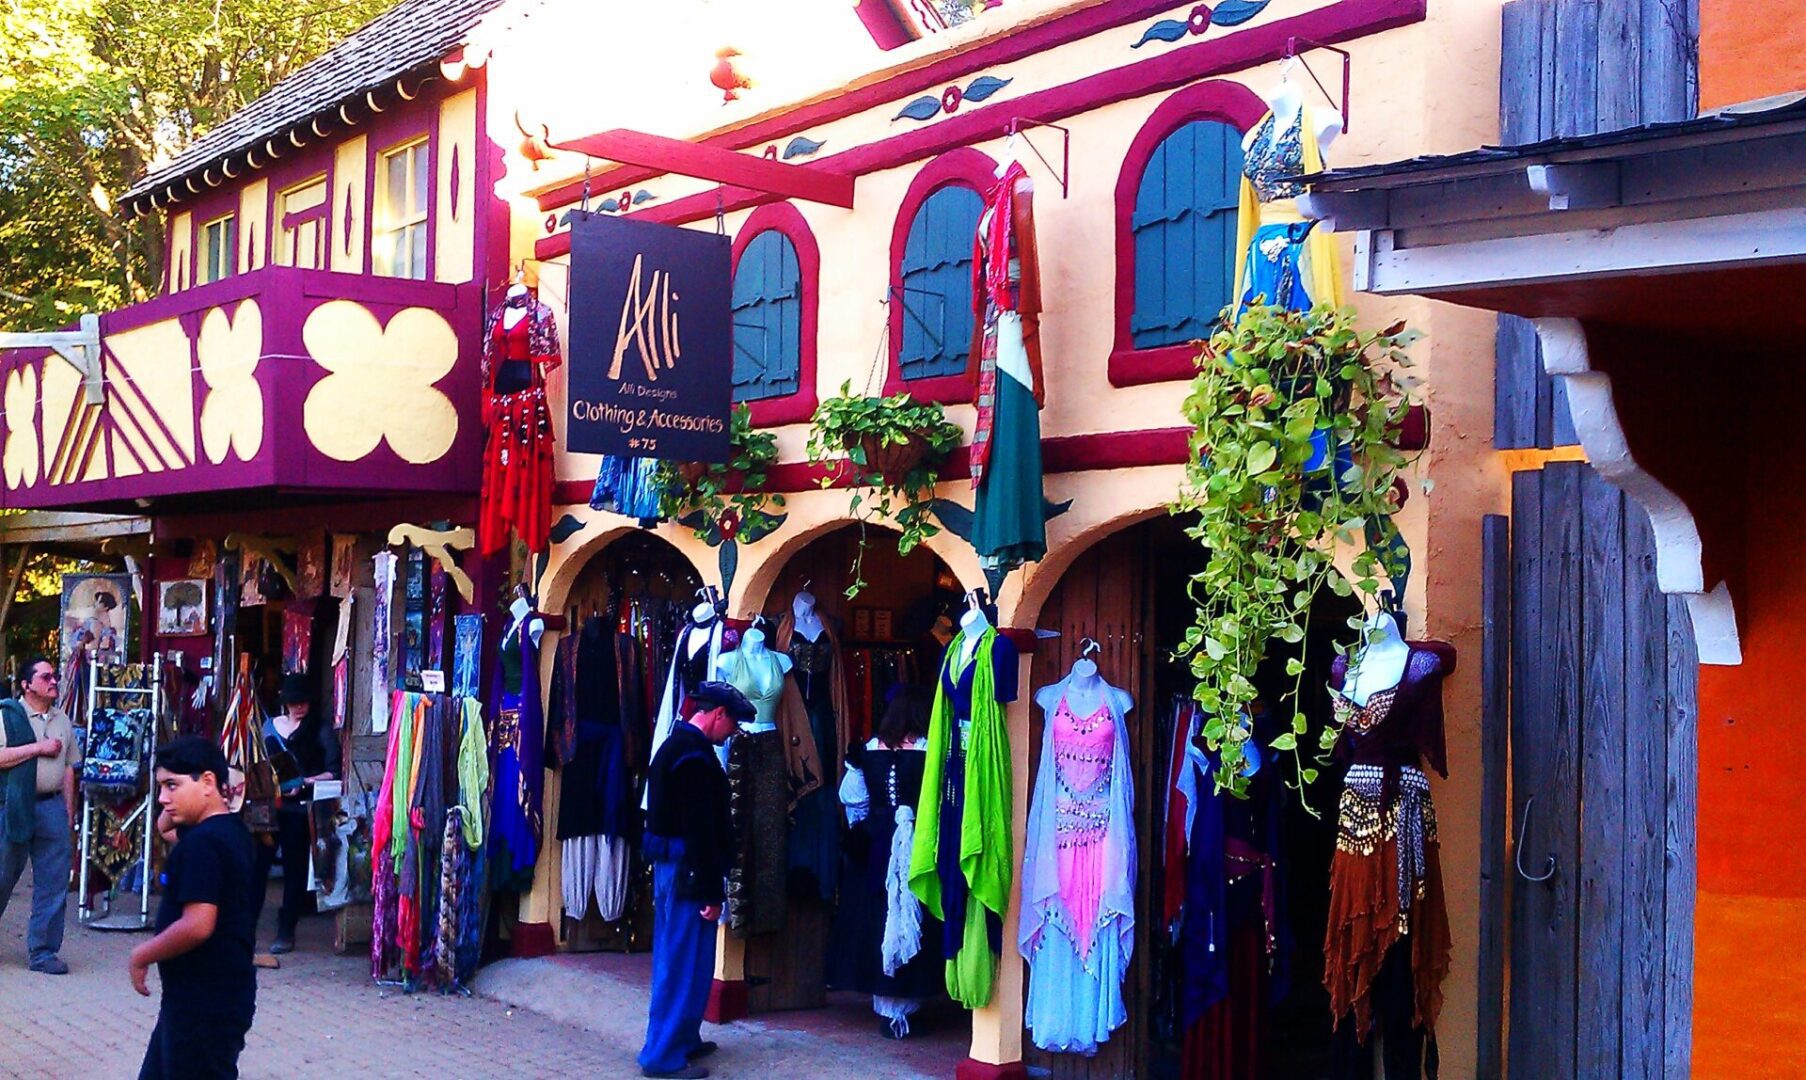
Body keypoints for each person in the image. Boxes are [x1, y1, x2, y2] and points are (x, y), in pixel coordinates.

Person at [639, 681, 752, 1080]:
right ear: (718, 715)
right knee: (680, 962)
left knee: (691, 960)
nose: (732, 733)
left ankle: (683, 1038)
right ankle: (662, 1055)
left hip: (679, 869)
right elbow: (699, 832)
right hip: (688, 872)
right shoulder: (694, 759)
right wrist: (710, 890)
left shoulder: (679, 747)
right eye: (732, 724)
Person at [131, 736, 257, 1079]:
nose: (163, 798)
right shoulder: (225, 831)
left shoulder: (204, 844)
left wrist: (143, 953)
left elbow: (198, 924)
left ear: (208, 782)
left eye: (172, 785)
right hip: (200, 998)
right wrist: (176, 801)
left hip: (204, 1004)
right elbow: (164, 827)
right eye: (160, 787)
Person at [0, 656, 80, 974]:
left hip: (52, 807)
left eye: (54, 676)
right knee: (3, 874)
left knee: (53, 882)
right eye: (45, 676)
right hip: (14, 806)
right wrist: (37, 748)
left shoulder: (62, 719)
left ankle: (43, 952)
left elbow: (70, 767)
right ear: (26, 684)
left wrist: (68, 811)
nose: (53, 681)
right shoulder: (8, 714)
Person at [252, 672, 340, 958]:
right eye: (294, 702)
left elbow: (333, 770)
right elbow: (258, 763)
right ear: (285, 703)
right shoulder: (268, 728)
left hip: (299, 809)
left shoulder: (320, 730)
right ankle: (245, 928)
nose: (299, 707)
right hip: (268, 808)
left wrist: (304, 783)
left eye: (303, 702)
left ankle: (286, 929)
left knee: (295, 870)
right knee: (256, 869)